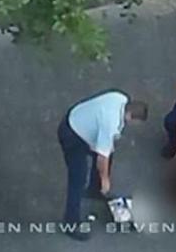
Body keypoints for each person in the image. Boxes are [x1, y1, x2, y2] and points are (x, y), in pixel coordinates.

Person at [57, 90, 148, 240]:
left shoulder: (120, 97)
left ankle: (94, 189)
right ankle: (70, 223)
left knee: (108, 152)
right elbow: (102, 158)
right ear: (131, 117)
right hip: (73, 135)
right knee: (77, 179)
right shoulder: (111, 124)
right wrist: (105, 179)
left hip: (79, 119)